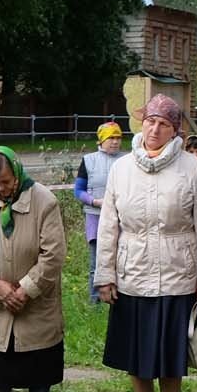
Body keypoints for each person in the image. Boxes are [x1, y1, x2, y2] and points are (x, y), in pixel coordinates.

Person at [94, 94, 197, 392]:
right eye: (150, 121)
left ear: (174, 130)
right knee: (137, 355)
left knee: (169, 355)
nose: (154, 129)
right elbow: (109, 225)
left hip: (177, 274)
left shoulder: (192, 168)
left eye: (163, 124)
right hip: (132, 273)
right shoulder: (122, 168)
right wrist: (105, 275)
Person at [0, 145, 67, 392]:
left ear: (17, 173)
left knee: (39, 382)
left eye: (6, 182)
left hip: (37, 311)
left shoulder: (44, 201)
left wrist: (25, 290)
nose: (1, 189)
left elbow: (53, 254)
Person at [74, 121, 122, 301]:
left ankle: (119, 298)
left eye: (118, 137)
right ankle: (95, 301)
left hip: (121, 218)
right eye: (111, 138)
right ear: (101, 140)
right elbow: (78, 191)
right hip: (96, 217)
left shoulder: (127, 160)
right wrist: (94, 202)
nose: (115, 141)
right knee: (97, 262)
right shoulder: (88, 160)